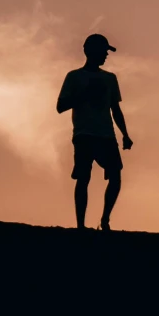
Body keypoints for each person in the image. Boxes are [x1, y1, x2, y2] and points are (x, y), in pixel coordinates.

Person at [57, 33, 133, 231]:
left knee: (115, 174)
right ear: (91, 51)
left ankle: (105, 219)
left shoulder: (110, 79)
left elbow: (115, 109)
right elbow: (61, 106)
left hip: (106, 135)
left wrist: (125, 134)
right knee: (83, 178)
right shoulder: (74, 77)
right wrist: (83, 95)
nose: (106, 55)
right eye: (103, 51)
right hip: (84, 134)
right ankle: (80, 225)